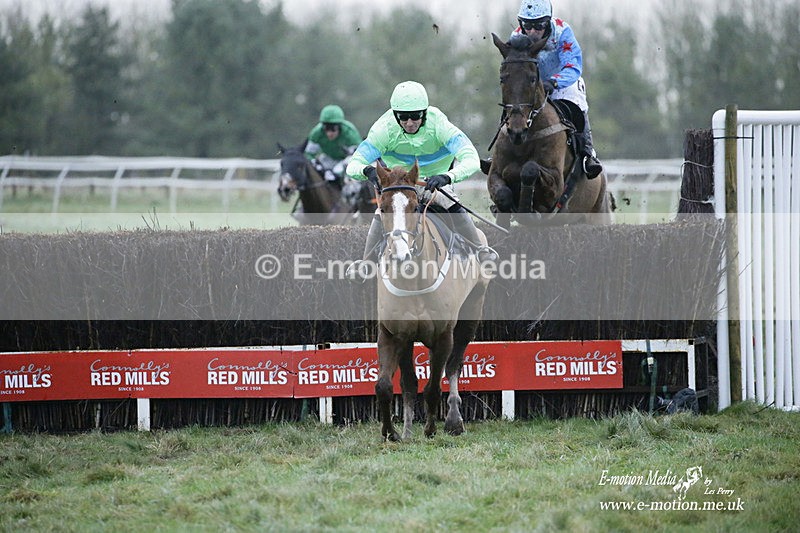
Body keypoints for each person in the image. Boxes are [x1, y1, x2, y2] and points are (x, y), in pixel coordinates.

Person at [345, 81, 496, 278]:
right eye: (403, 117)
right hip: (399, 185)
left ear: (424, 113)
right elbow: (352, 165)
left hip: (433, 183)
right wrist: (367, 171)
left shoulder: (440, 125)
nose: (409, 123)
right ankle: (367, 265)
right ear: (395, 115)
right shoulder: (383, 129)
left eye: (415, 116)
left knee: (447, 200)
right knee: (382, 210)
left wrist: (447, 177)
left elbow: (471, 159)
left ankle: (479, 250)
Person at [512, 0, 602, 179]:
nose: (532, 32)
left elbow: (573, 65)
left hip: (564, 82)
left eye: (538, 26)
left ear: (548, 22)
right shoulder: (515, 37)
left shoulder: (562, 32)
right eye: (527, 25)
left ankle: (587, 153)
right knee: (514, 103)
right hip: (534, 84)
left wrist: (553, 82)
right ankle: (502, 150)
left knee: (577, 103)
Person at [304, 104, 362, 187]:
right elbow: (308, 154)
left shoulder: (350, 133)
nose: (329, 133)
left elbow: (360, 154)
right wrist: (317, 166)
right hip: (329, 159)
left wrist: (338, 172)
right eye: (326, 128)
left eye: (333, 129)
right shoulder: (316, 133)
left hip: (346, 160)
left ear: (339, 126)